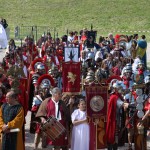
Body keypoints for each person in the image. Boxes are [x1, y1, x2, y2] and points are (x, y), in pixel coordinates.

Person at [106, 80, 129, 150]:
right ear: (116, 89)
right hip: (114, 119)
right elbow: (121, 104)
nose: (121, 90)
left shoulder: (118, 96)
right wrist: (129, 105)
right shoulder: (114, 97)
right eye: (120, 88)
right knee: (114, 135)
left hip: (118, 117)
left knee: (116, 135)